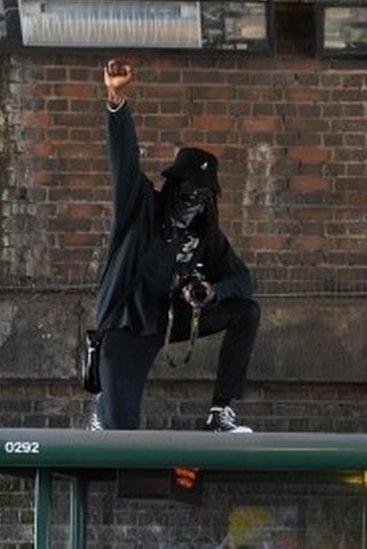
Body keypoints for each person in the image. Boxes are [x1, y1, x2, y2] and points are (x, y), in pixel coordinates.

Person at [90, 60, 260, 432]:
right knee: (121, 438)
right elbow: (124, 160)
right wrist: (116, 99)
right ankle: (105, 406)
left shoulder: (203, 234)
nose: (191, 202)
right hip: (127, 326)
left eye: (200, 197)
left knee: (246, 311)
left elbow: (244, 282)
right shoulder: (140, 208)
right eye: (185, 192)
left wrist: (211, 291)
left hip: (166, 320)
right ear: (171, 186)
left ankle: (219, 414)